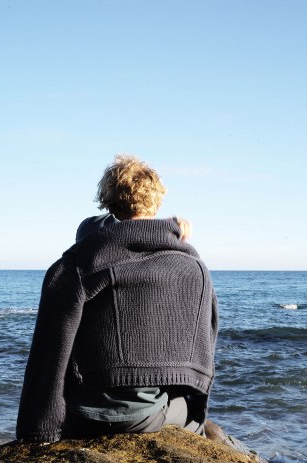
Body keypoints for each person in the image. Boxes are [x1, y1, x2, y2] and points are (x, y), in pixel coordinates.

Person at [16, 155, 217, 444]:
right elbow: (206, 343)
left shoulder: (79, 263)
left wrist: (38, 431)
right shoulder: (193, 268)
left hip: (82, 414)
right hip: (147, 411)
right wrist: (170, 228)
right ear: (157, 200)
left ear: (107, 201)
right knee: (202, 424)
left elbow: (49, 351)